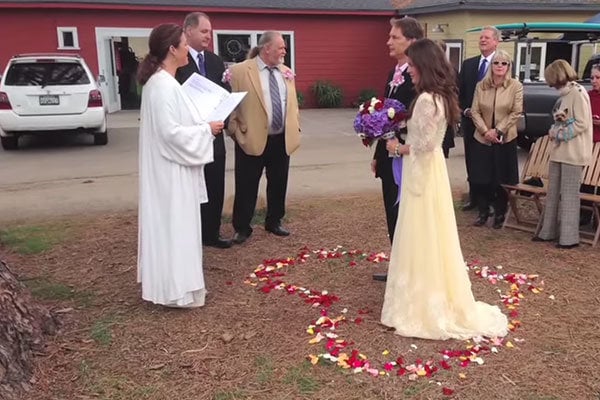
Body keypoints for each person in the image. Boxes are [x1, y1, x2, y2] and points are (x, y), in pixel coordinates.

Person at [380, 38, 508, 340]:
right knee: (432, 233)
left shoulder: (426, 100)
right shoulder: (440, 96)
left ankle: (421, 303)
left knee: (420, 232)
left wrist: (397, 147)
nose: (409, 70)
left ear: (423, 65)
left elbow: (423, 145)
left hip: (422, 170)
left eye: (411, 65)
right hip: (433, 168)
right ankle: (430, 292)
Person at [136, 23, 225, 308]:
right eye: (184, 44)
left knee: (180, 228)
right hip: (170, 172)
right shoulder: (161, 86)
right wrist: (206, 131)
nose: (189, 49)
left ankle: (180, 287)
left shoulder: (167, 83)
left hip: (175, 168)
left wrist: (202, 123)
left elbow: (176, 124)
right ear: (172, 49)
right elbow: (170, 133)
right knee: (175, 228)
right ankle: (175, 291)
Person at [227, 31, 301, 244]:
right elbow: (230, 105)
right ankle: (242, 227)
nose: (284, 51)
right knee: (246, 184)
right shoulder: (240, 71)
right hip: (251, 138)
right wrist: (234, 130)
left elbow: (292, 104)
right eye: (281, 47)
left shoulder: (286, 72)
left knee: (278, 182)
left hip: (280, 139)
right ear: (266, 48)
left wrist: (296, 125)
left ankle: (274, 221)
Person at [371, 17, 423, 282]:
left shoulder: (420, 77)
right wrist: (377, 154)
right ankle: (399, 266)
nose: (388, 41)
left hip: (407, 155)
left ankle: (411, 270)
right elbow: (384, 116)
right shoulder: (394, 73)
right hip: (388, 153)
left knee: (406, 214)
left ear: (411, 41)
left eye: (395, 37)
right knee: (392, 213)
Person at [175, 12, 232, 249]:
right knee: (192, 188)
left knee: (215, 185)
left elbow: (224, 92)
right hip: (191, 136)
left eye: (210, 31)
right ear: (188, 31)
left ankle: (212, 233)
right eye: (204, 31)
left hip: (215, 136)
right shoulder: (178, 61)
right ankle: (192, 235)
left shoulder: (215, 61)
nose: (209, 36)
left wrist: (225, 117)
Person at [533, 60, 593, 249]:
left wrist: (559, 134)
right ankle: (548, 232)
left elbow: (582, 123)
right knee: (552, 194)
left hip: (573, 153)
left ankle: (568, 238)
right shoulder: (564, 95)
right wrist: (555, 130)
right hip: (559, 152)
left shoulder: (578, 93)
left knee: (568, 196)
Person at [470, 50, 523, 229]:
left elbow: (516, 112)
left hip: (505, 138)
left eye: (504, 63)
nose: (500, 66)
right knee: (481, 177)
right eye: (496, 63)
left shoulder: (515, 86)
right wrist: (486, 132)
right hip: (482, 138)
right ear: (491, 66)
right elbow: (474, 111)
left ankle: (500, 213)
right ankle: (483, 212)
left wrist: (498, 130)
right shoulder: (481, 85)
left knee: (502, 178)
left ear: (509, 67)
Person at [459, 26, 500, 211]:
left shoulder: (502, 64)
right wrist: (464, 110)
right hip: (470, 122)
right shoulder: (469, 64)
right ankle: (474, 197)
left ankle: (492, 199)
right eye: (481, 37)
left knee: (489, 162)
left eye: (487, 38)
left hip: (492, 125)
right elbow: (459, 93)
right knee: (472, 160)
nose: (483, 40)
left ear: (496, 42)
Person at [580, 63, 600, 226]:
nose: (594, 80)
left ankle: (598, 220)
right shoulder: (587, 95)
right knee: (586, 181)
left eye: (597, 77)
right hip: (588, 144)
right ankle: (584, 215)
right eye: (592, 77)